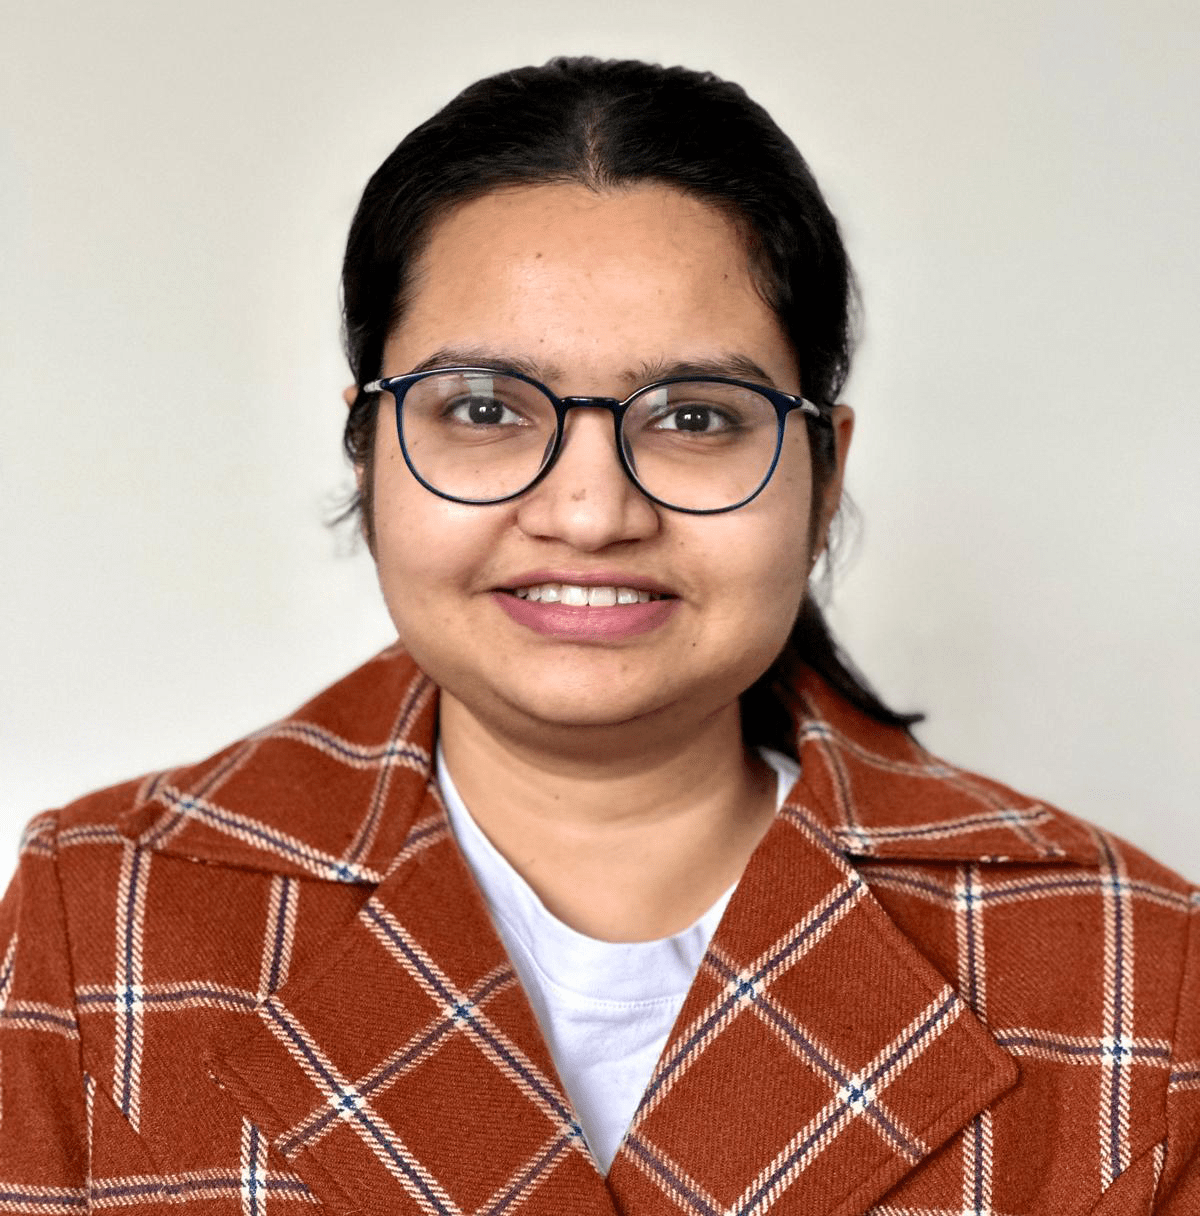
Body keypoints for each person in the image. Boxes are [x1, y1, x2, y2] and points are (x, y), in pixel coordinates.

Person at [1, 56, 1197, 1216]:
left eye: (693, 417)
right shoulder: (106, 913)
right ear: (365, 452)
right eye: (482, 409)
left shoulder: (1133, 970)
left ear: (824, 474)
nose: (589, 511)